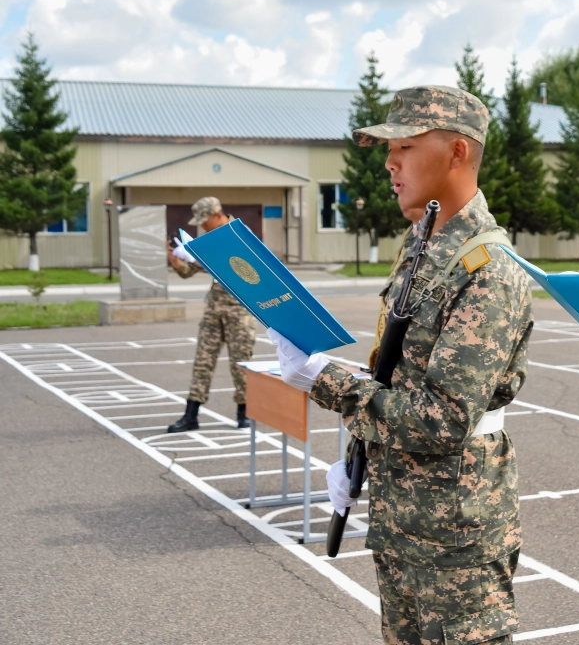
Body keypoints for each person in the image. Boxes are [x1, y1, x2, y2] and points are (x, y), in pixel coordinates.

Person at [272, 86, 533, 644]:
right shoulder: (420, 245)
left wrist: (323, 380)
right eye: (390, 148)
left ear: (457, 152)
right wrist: (356, 456)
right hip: (401, 521)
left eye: (408, 146)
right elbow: (392, 374)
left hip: (454, 537)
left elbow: (442, 418)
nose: (390, 161)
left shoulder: (487, 268)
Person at [164, 197, 256, 432]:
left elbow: (248, 269)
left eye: (204, 220)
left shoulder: (240, 233)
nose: (202, 226)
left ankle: (244, 414)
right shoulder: (206, 241)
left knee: (241, 364)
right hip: (214, 311)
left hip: (239, 310)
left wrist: (209, 259)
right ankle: (191, 415)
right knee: (202, 362)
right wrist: (176, 261)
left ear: (217, 214)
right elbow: (188, 272)